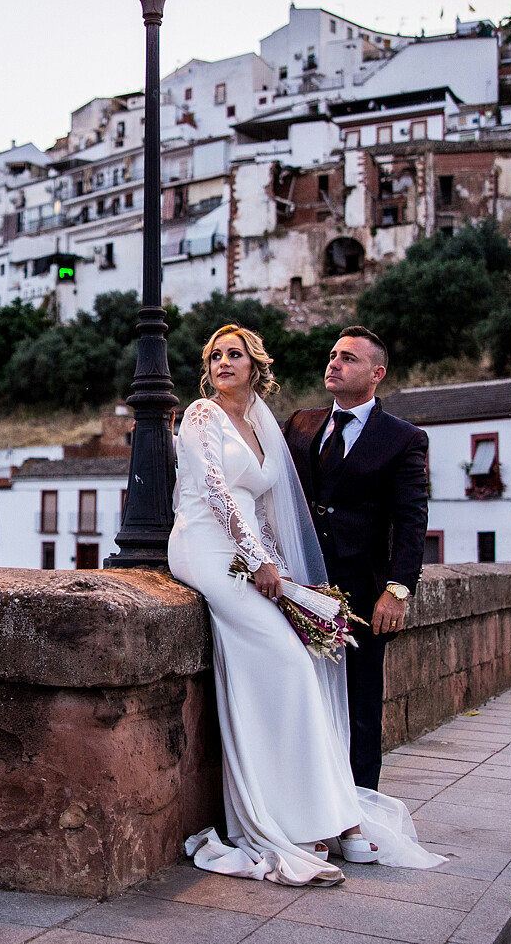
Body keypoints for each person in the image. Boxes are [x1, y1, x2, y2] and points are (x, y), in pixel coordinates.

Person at [170, 324, 442, 885]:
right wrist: (262, 562)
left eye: (235, 354)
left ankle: (336, 815)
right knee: (293, 666)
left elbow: (277, 508)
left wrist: (394, 585)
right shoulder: (210, 416)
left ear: (255, 365)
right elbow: (219, 492)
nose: (223, 361)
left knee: (346, 695)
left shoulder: (270, 426)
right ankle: (289, 818)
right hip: (209, 547)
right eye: (215, 355)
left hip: (312, 571)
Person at [283, 326, 430, 791]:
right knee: (300, 698)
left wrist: (397, 589)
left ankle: (362, 804)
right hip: (300, 582)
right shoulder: (301, 424)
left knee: (361, 702)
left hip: (364, 590)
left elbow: (411, 519)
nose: (334, 363)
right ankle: (309, 800)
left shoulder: (403, 438)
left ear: (376, 373)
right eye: (332, 355)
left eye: (348, 358)